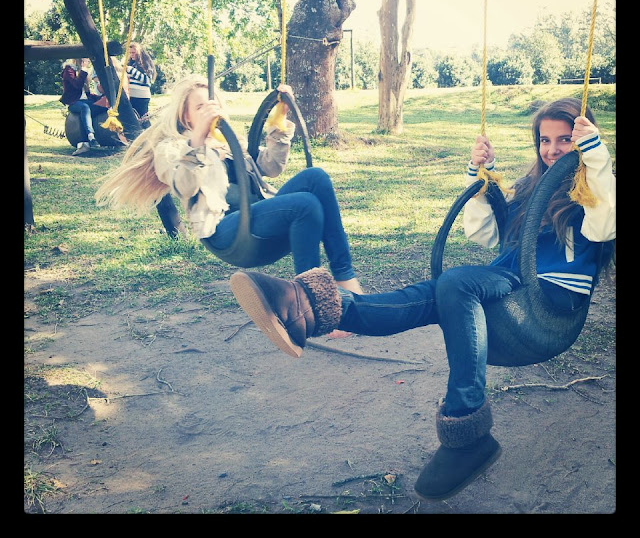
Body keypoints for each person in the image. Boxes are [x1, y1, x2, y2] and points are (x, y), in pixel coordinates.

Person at [227, 97, 616, 501]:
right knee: (423, 296)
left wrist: (595, 157)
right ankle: (306, 308)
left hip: (550, 300)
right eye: (545, 140)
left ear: (583, 140)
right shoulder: (529, 189)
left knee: (456, 284)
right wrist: (482, 179)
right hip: (511, 284)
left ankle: (467, 424)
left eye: (565, 139)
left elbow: (605, 227)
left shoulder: (595, 188)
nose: (553, 149)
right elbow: (484, 234)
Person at [95, 75, 363, 293]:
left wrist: (279, 123)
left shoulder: (228, 142)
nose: (210, 112)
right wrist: (198, 141)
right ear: (187, 117)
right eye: (200, 107)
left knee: (316, 177)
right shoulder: (172, 148)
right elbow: (184, 186)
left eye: (212, 105)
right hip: (227, 232)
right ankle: (310, 299)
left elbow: (271, 167)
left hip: (258, 217)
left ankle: (346, 281)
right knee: (305, 204)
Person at [60, 59, 103, 155]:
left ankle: (89, 140)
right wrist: (83, 71)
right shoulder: (68, 70)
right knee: (85, 108)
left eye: (88, 61)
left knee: (100, 106)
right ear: (79, 61)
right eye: (85, 60)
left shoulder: (83, 72)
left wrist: (99, 98)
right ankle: (91, 136)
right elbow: (77, 85)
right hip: (73, 102)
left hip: (84, 100)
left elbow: (86, 92)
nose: (88, 62)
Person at [127, 42, 156, 128]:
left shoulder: (146, 63)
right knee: (132, 121)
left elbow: (147, 80)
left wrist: (131, 70)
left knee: (144, 120)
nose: (131, 55)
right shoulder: (130, 63)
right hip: (131, 96)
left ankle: (149, 134)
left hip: (142, 97)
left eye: (133, 52)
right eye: (130, 53)